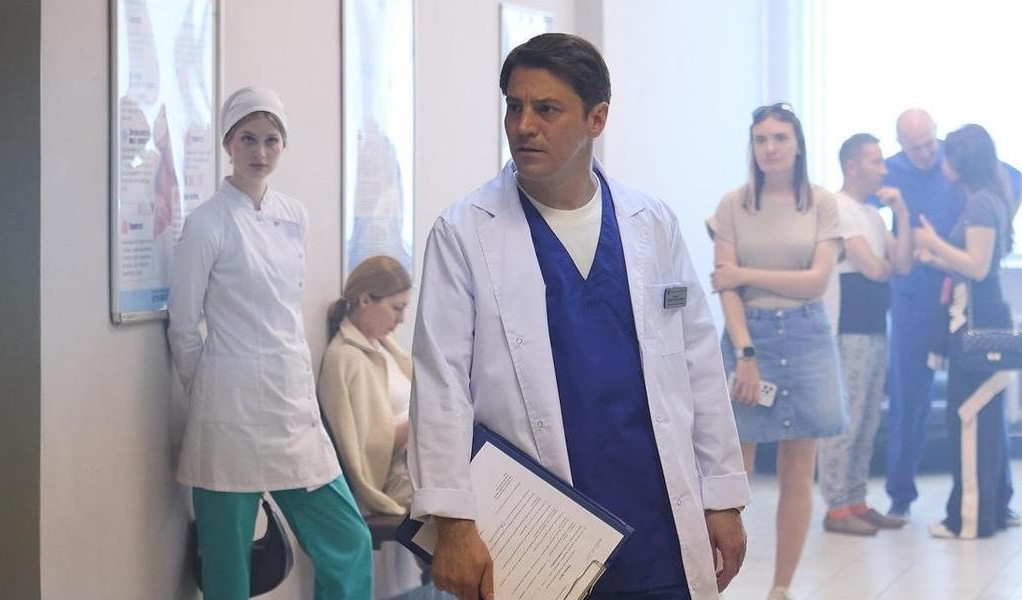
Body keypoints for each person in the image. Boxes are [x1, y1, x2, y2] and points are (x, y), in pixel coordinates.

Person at [408, 33, 750, 600]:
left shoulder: (651, 222)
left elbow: (698, 365)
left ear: (597, 119)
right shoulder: (463, 231)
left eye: (546, 109)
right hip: (536, 527)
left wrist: (722, 496)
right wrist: (453, 522)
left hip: (658, 517)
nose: (523, 126)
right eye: (514, 107)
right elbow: (439, 383)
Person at [168, 86, 372, 600]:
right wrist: (209, 390)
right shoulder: (206, 224)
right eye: (248, 139)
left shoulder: (294, 216)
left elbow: (285, 311)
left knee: (348, 540)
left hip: (289, 407)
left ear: (283, 145)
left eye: (271, 140)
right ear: (227, 143)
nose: (260, 152)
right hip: (228, 412)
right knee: (227, 566)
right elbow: (183, 326)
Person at [707, 103, 844, 600]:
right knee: (732, 471)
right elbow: (726, 290)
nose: (770, 147)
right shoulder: (733, 205)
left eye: (780, 138)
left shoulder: (822, 204)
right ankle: (712, 582)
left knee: (797, 472)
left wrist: (745, 274)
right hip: (750, 337)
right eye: (761, 139)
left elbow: (815, 282)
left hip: (807, 336)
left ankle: (781, 588)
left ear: (798, 144)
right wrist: (745, 354)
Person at [882, 109, 1022, 521]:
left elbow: (1014, 181)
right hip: (913, 298)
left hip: (962, 295)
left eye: (930, 143)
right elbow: (855, 200)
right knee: (909, 397)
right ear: (901, 146)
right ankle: (900, 494)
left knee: (983, 400)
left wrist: (995, 234)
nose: (928, 153)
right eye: (916, 148)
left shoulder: (961, 158)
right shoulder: (891, 170)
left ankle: (999, 497)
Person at [912, 124, 1019, 539]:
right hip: (980, 314)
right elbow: (976, 266)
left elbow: (976, 266)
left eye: (948, 156)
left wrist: (933, 242)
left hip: (977, 322)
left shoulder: (979, 203)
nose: (942, 163)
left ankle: (969, 521)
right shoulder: (987, 198)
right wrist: (936, 257)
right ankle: (984, 513)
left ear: (963, 161)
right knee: (979, 424)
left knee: (970, 422)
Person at [817, 134, 913, 536]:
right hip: (848, 330)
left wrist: (901, 214)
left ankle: (856, 499)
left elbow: (901, 264)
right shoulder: (837, 207)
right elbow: (873, 268)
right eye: (876, 161)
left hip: (874, 327)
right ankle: (836, 506)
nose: (884, 169)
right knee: (848, 420)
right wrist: (884, 267)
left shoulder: (873, 214)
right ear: (853, 166)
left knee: (869, 419)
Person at [318, 256, 425, 599]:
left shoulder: (383, 348)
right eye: (396, 308)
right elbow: (365, 451)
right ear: (365, 300)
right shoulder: (345, 358)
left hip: (418, 461)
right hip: (396, 477)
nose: (401, 319)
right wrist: (422, 423)